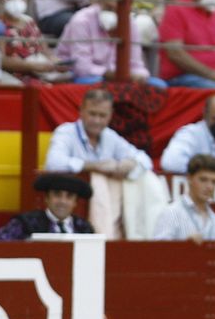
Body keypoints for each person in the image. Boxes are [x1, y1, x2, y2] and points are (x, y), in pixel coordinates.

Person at [43, 86, 159, 239]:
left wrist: (130, 163)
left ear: (110, 115)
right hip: (71, 211)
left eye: (102, 115)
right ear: (81, 111)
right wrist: (94, 166)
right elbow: (54, 163)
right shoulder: (66, 132)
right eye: (92, 114)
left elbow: (144, 160)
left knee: (146, 178)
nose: (97, 121)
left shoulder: (110, 136)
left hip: (102, 207)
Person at [56, 0, 156, 85]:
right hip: (85, 77)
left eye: (118, 9)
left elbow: (137, 65)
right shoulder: (81, 21)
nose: (113, 12)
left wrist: (140, 76)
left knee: (158, 85)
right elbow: (82, 68)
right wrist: (114, 74)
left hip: (121, 77)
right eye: (109, 8)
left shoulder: (130, 24)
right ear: (99, 2)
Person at [0, 173, 95, 240]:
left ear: (75, 202)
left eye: (69, 197)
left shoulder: (83, 227)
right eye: (57, 195)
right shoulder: (27, 223)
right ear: (46, 198)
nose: (63, 201)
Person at [0, 0, 64, 81]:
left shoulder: (29, 21)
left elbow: (46, 51)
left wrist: (56, 62)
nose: (17, 1)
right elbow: (1, 59)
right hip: (16, 75)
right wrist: (31, 66)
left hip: (40, 72)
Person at [150, 153, 215, 242]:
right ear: (189, 178)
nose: (209, 186)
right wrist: (184, 248)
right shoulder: (171, 213)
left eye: (214, 182)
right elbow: (158, 252)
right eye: (203, 180)